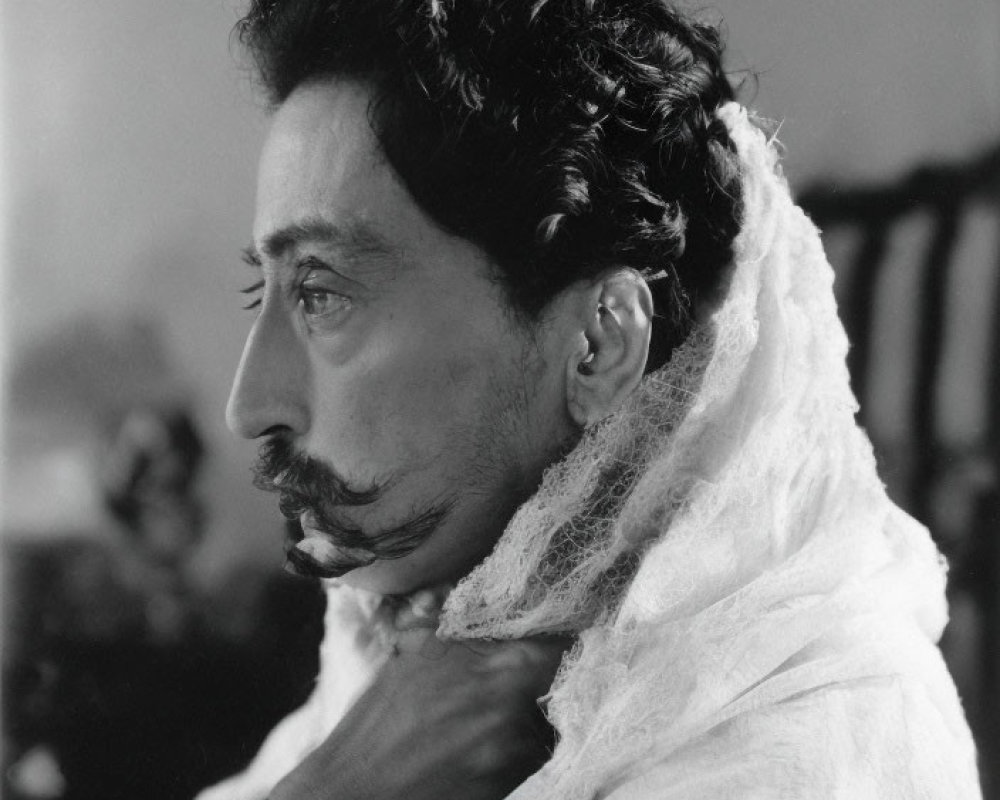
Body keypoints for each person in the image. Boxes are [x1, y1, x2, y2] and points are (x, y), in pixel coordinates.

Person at [197, 1, 982, 798]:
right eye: (265, 287)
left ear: (600, 342)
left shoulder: (807, 758)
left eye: (323, 292)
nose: (248, 405)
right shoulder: (404, 671)